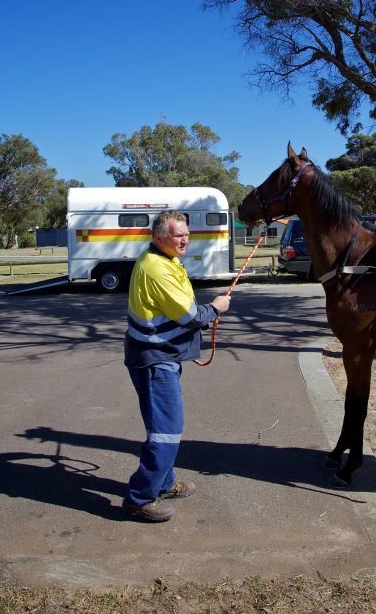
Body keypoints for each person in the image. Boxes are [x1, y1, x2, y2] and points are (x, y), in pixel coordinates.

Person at [122, 209, 231, 522]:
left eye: (186, 233)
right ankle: (139, 498)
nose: (185, 239)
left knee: (162, 427)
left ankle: (165, 483)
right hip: (155, 361)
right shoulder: (156, 268)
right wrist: (215, 308)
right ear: (159, 238)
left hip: (160, 355)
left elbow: (178, 313)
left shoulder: (165, 259)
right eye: (177, 235)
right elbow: (189, 316)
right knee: (166, 431)